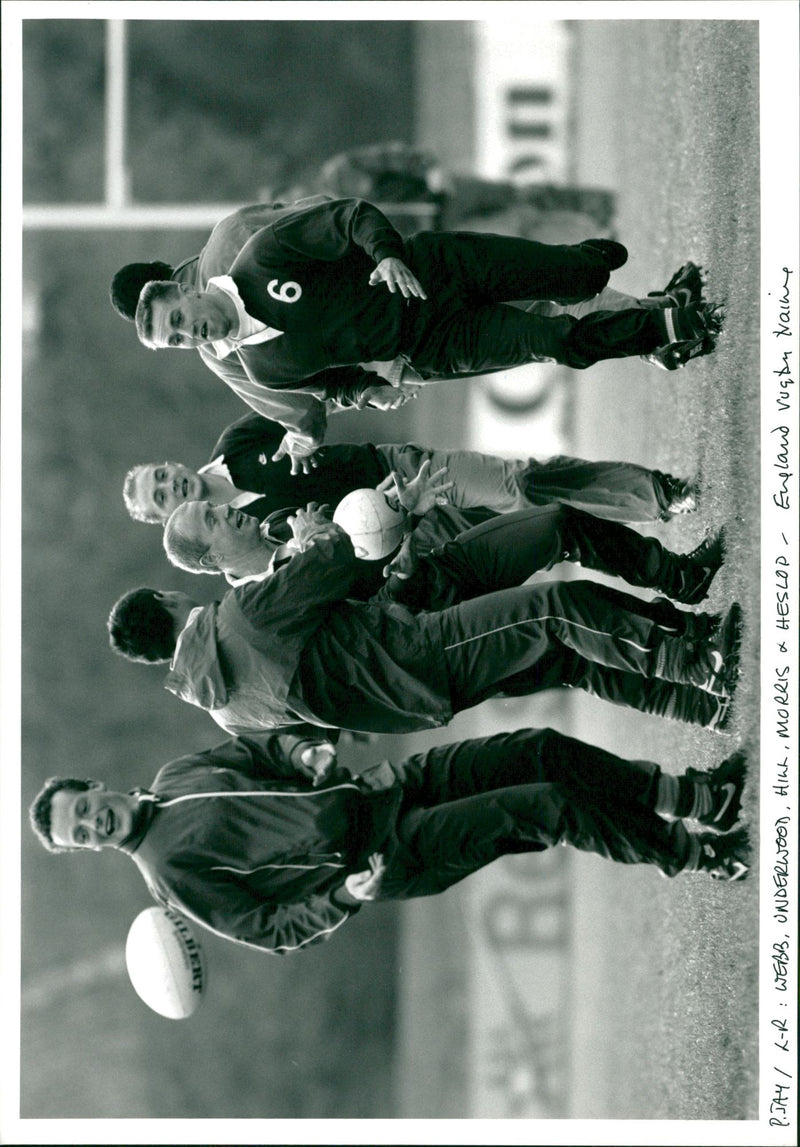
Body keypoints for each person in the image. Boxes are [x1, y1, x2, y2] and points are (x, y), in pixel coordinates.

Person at [29, 729, 751, 957]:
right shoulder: (169, 876)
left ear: (93, 786)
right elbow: (268, 929)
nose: (93, 824)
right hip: (384, 854)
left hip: (385, 785)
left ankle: (694, 797)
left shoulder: (174, 773)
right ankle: (697, 853)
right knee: (548, 806)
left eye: (82, 809)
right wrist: (346, 894)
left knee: (539, 750)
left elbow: (259, 753)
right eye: (81, 835)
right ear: (86, 848)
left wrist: (303, 751)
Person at [132, 197, 724, 468]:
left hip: (433, 267)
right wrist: (370, 390)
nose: (189, 335)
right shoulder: (260, 368)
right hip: (432, 346)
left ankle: (616, 289)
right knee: (554, 341)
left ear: (182, 290)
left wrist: (386, 256)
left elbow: (347, 216)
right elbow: (331, 388)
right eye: (176, 342)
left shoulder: (258, 254)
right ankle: (667, 326)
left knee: (580, 272)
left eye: (179, 321)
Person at [107, 516, 741, 737]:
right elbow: (334, 559)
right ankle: (695, 664)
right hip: (416, 649)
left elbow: (318, 706)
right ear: (169, 599)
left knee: (561, 631)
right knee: (554, 611)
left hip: (410, 690)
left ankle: (692, 663)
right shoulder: (237, 617)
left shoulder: (223, 711)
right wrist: (309, 536)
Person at [122, 410, 698, 528]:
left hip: (399, 470)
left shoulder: (237, 441)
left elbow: (306, 408)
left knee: (518, 487)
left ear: (171, 465)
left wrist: (303, 434)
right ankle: (643, 503)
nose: (173, 486)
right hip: (408, 535)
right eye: (164, 498)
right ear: (167, 518)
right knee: (542, 519)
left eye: (163, 477)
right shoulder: (239, 536)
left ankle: (655, 495)